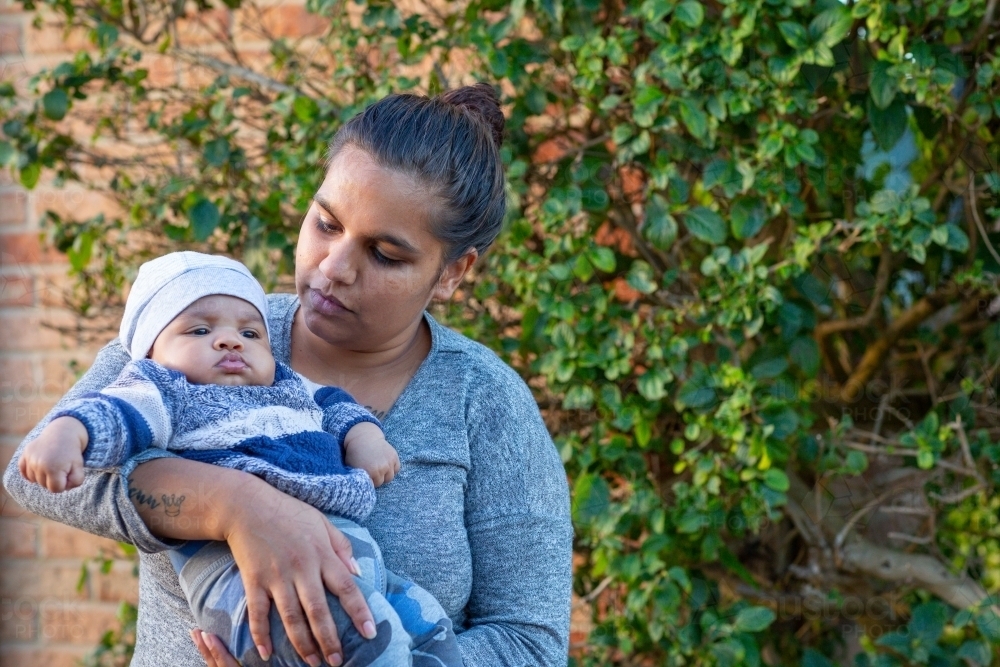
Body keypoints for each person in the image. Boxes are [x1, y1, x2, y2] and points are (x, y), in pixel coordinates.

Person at [3, 83, 573, 667]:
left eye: (384, 254)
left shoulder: (485, 401)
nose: (334, 268)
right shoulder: (210, 330)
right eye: (326, 223)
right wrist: (232, 505)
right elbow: (36, 470)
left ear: (454, 272)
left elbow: (530, 641)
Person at [17, 251, 462, 667]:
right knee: (361, 643)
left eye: (250, 333)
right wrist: (68, 432)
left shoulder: (283, 384)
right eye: (200, 330)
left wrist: (365, 435)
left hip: (352, 558)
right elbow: (116, 413)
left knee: (432, 629)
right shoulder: (165, 390)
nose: (230, 340)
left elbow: (332, 405)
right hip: (246, 578)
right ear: (151, 353)